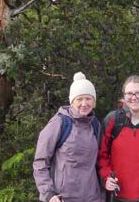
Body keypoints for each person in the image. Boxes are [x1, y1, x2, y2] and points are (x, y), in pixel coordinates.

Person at [33, 72, 103, 202]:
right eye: (79, 99)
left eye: (88, 99)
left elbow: (100, 161)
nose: (84, 103)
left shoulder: (95, 124)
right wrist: (48, 193)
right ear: (72, 101)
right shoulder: (60, 123)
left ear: (94, 101)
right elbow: (40, 162)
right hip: (63, 197)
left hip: (92, 196)